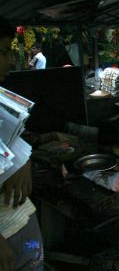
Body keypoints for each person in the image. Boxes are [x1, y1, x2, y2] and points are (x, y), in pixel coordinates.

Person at [0, 21, 44, 270]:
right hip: (6, 236)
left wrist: (24, 160)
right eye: (4, 52)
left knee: (34, 256)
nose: (10, 61)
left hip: (22, 224)